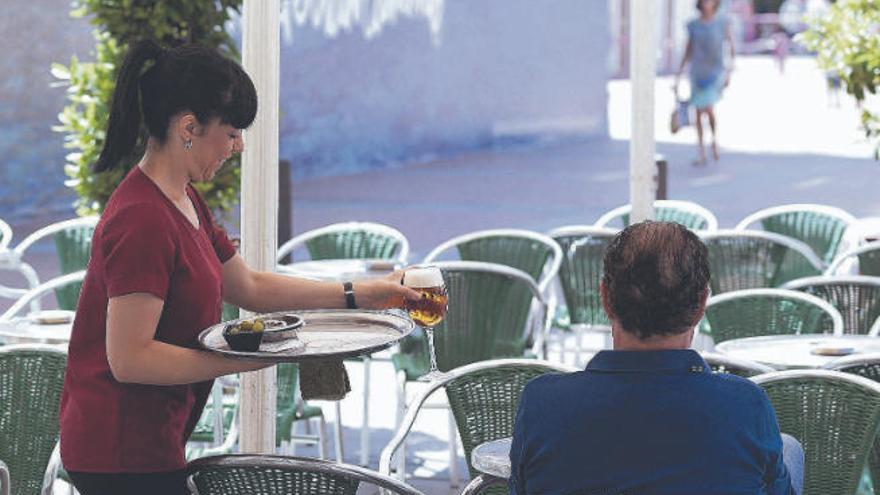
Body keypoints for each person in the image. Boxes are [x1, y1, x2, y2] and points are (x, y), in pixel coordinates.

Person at [58, 40, 419, 495]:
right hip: (118, 448)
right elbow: (130, 359)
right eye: (231, 133)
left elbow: (247, 285)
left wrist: (362, 293)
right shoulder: (142, 218)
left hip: (151, 439)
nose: (240, 145)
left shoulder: (183, 199)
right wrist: (247, 359)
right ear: (189, 127)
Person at [509, 221, 803, 495]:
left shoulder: (543, 402)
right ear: (702, 304)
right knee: (789, 450)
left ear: (605, 298)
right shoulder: (745, 405)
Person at [675, 0, 736, 165]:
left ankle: (714, 141)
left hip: (714, 72)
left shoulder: (723, 22)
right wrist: (679, 74)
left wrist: (730, 71)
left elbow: (731, 47)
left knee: (708, 108)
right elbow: (688, 49)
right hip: (697, 72)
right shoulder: (693, 25)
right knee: (697, 111)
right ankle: (701, 150)